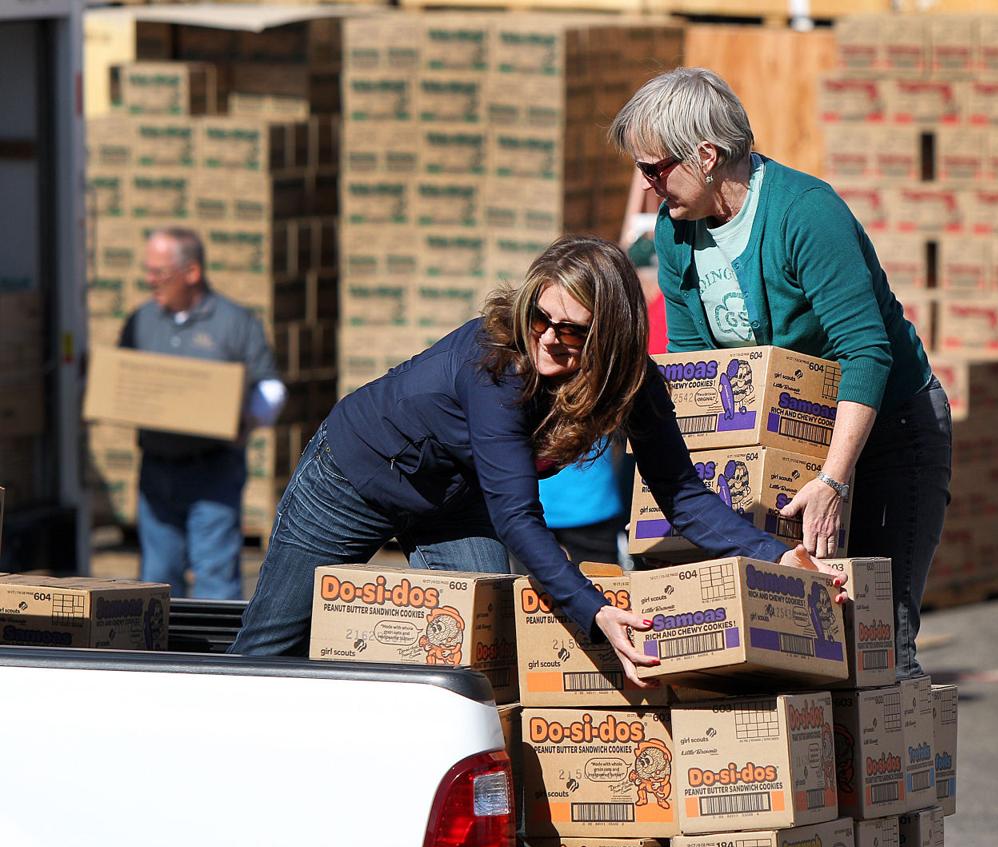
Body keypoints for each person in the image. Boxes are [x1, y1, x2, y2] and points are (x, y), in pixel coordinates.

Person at [228, 236, 836, 685]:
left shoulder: (633, 382)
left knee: (482, 661)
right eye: (540, 318)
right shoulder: (497, 365)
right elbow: (518, 515)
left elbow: (681, 496)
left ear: (611, 338)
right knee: (269, 650)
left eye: (572, 330)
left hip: (457, 501)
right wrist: (598, 611)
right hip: (356, 473)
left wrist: (777, 556)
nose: (548, 337)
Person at [609, 68, 952, 678]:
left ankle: (901, 765)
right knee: (792, 646)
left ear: (707, 156)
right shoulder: (675, 230)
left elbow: (866, 351)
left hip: (887, 428)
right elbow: (698, 370)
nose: (646, 185)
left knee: (877, 642)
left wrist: (834, 481)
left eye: (654, 169)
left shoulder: (806, 213)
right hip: (792, 438)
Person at [119, 227, 286, 599]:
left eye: (159, 272)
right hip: (157, 470)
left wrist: (247, 419)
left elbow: (271, 388)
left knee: (215, 576)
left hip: (214, 470)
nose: (150, 282)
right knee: (157, 578)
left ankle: (214, 658)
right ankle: (157, 657)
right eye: (147, 271)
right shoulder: (140, 321)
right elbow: (118, 379)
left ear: (191, 273)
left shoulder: (235, 323)